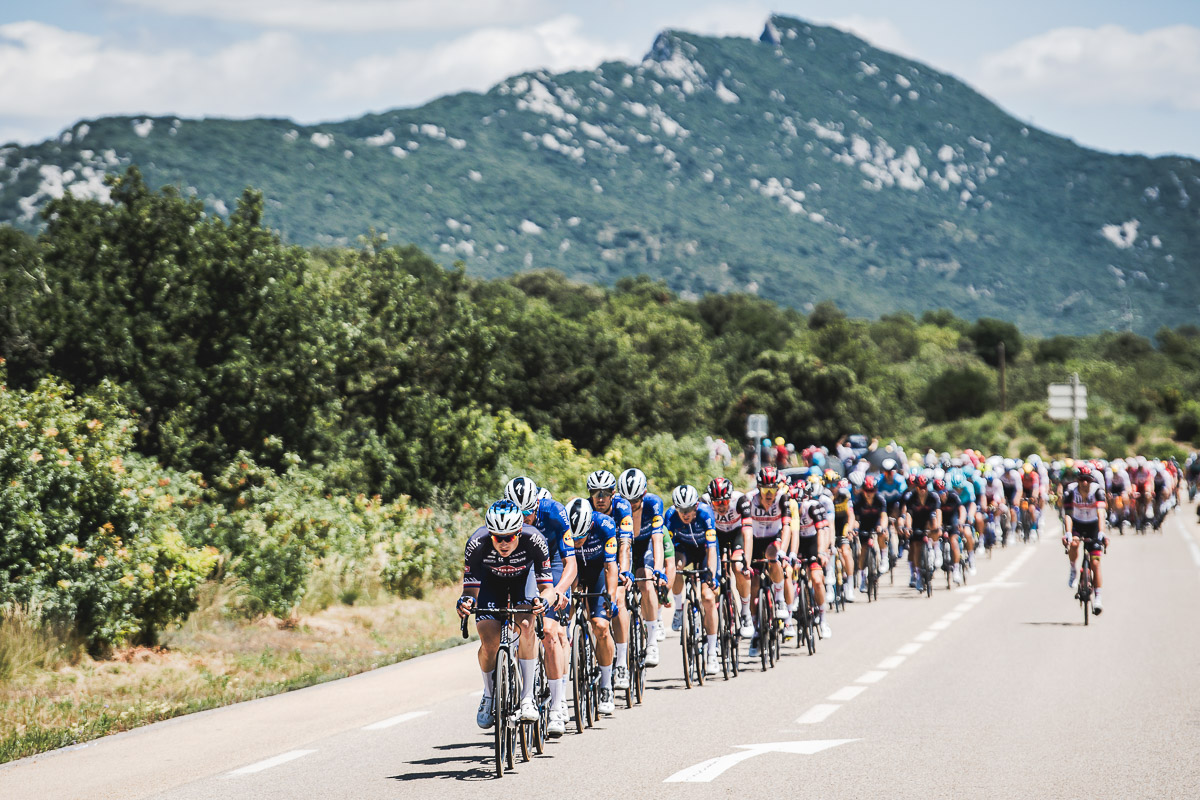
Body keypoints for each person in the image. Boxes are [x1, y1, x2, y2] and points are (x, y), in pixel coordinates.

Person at [457, 500, 557, 728]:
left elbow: (547, 589)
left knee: (525, 624)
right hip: (491, 582)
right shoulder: (476, 542)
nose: (503, 543)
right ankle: (489, 694)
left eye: (509, 537)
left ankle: (528, 697)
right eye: (497, 537)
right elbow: (470, 590)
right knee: (487, 636)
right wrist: (466, 602)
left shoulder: (534, 539)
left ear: (519, 532)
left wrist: (544, 602)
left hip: (523, 580)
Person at [504, 477, 576, 729]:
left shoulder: (554, 512)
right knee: (516, 623)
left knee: (549, 630)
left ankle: (557, 705)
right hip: (523, 564)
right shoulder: (503, 515)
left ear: (538, 504)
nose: (524, 519)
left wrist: (557, 591)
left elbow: (571, 563)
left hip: (553, 562)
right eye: (518, 514)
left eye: (528, 512)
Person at [565, 497, 619, 721]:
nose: (577, 542)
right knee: (561, 614)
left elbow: (610, 566)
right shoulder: (563, 527)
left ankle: (606, 686)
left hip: (597, 572)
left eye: (581, 537)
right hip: (575, 570)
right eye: (573, 538)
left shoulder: (605, 526)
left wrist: (611, 598)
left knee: (600, 626)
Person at [664, 485, 721, 673]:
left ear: (696, 506)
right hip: (684, 550)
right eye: (681, 510)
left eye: (688, 510)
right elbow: (668, 551)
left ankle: (712, 652)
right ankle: (680, 607)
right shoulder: (671, 516)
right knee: (677, 568)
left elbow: (712, 548)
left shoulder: (706, 513)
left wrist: (711, 575)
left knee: (708, 597)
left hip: (705, 551)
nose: (685, 514)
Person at [705, 476, 754, 636]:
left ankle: (746, 612)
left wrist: (747, 561)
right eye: (717, 503)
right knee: (714, 572)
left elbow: (747, 532)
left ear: (730, 498)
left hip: (736, 534)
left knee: (738, 566)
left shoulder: (740, 500)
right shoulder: (704, 501)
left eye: (724, 502)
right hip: (717, 535)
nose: (721, 507)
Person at [1062, 465, 1106, 614]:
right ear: (1078, 480)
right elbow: (1067, 514)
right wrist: (1068, 533)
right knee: (1073, 543)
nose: (1084, 483)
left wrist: (1101, 533)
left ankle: (1098, 598)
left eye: (1087, 480)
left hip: (1093, 525)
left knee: (1095, 563)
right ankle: (1074, 569)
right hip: (1077, 524)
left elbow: (1101, 513)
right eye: (1081, 480)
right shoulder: (1070, 491)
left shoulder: (1097, 491)